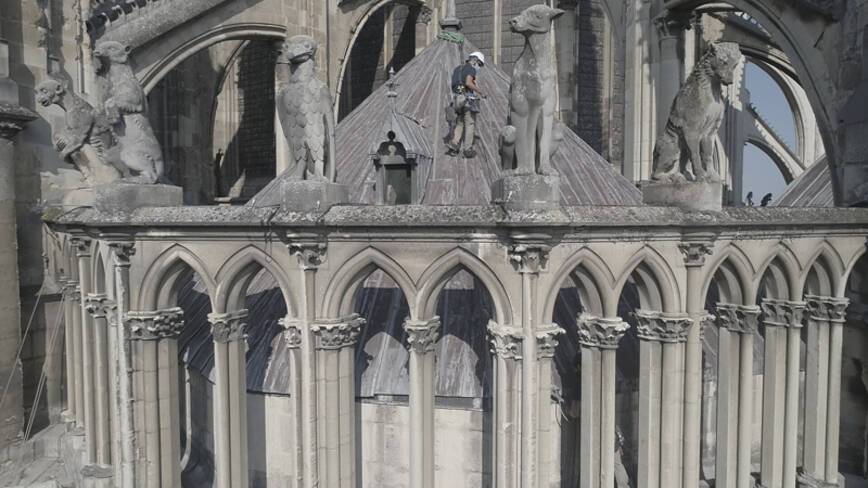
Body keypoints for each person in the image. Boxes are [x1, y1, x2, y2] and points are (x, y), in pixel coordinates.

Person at [447, 51, 485, 158]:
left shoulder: (457, 69)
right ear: (475, 60)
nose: (479, 67)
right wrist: (481, 92)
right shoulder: (471, 68)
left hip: (456, 100)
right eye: (480, 64)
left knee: (460, 122)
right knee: (470, 123)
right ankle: (467, 149)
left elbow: (455, 85)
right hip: (467, 100)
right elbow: (468, 83)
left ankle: (454, 144)